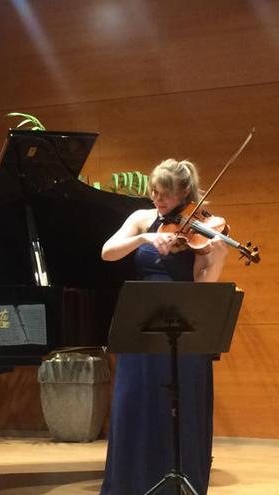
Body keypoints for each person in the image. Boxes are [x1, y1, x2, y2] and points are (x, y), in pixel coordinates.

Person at [99, 159, 229, 495]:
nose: (158, 200)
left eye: (165, 195)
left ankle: (178, 487)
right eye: (154, 193)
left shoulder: (206, 225)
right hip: (142, 324)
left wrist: (217, 260)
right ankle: (130, 485)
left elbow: (202, 284)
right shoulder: (141, 219)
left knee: (181, 407)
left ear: (185, 191)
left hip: (183, 327)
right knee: (135, 404)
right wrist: (143, 238)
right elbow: (107, 253)